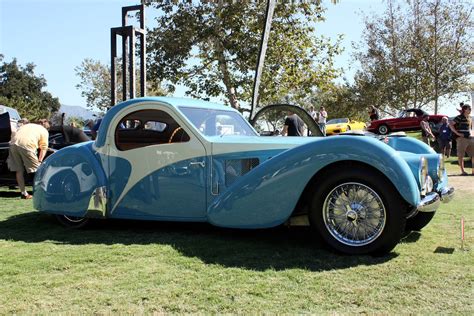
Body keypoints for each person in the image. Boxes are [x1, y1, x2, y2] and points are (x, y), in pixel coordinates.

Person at [7, 119, 50, 199]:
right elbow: (44, 148)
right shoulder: (44, 131)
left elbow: (14, 134)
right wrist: (40, 160)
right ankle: (40, 193)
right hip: (27, 145)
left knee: (19, 170)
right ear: (46, 127)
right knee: (36, 171)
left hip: (13, 144)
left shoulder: (26, 125)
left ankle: (24, 193)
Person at [449, 104, 474, 175]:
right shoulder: (459, 117)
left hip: (470, 138)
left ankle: (473, 171)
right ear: (465, 109)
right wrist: (457, 133)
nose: (470, 110)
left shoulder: (470, 118)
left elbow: (470, 128)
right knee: (461, 155)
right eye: (469, 108)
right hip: (461, 139)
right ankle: (463, 171)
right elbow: (450, 124)